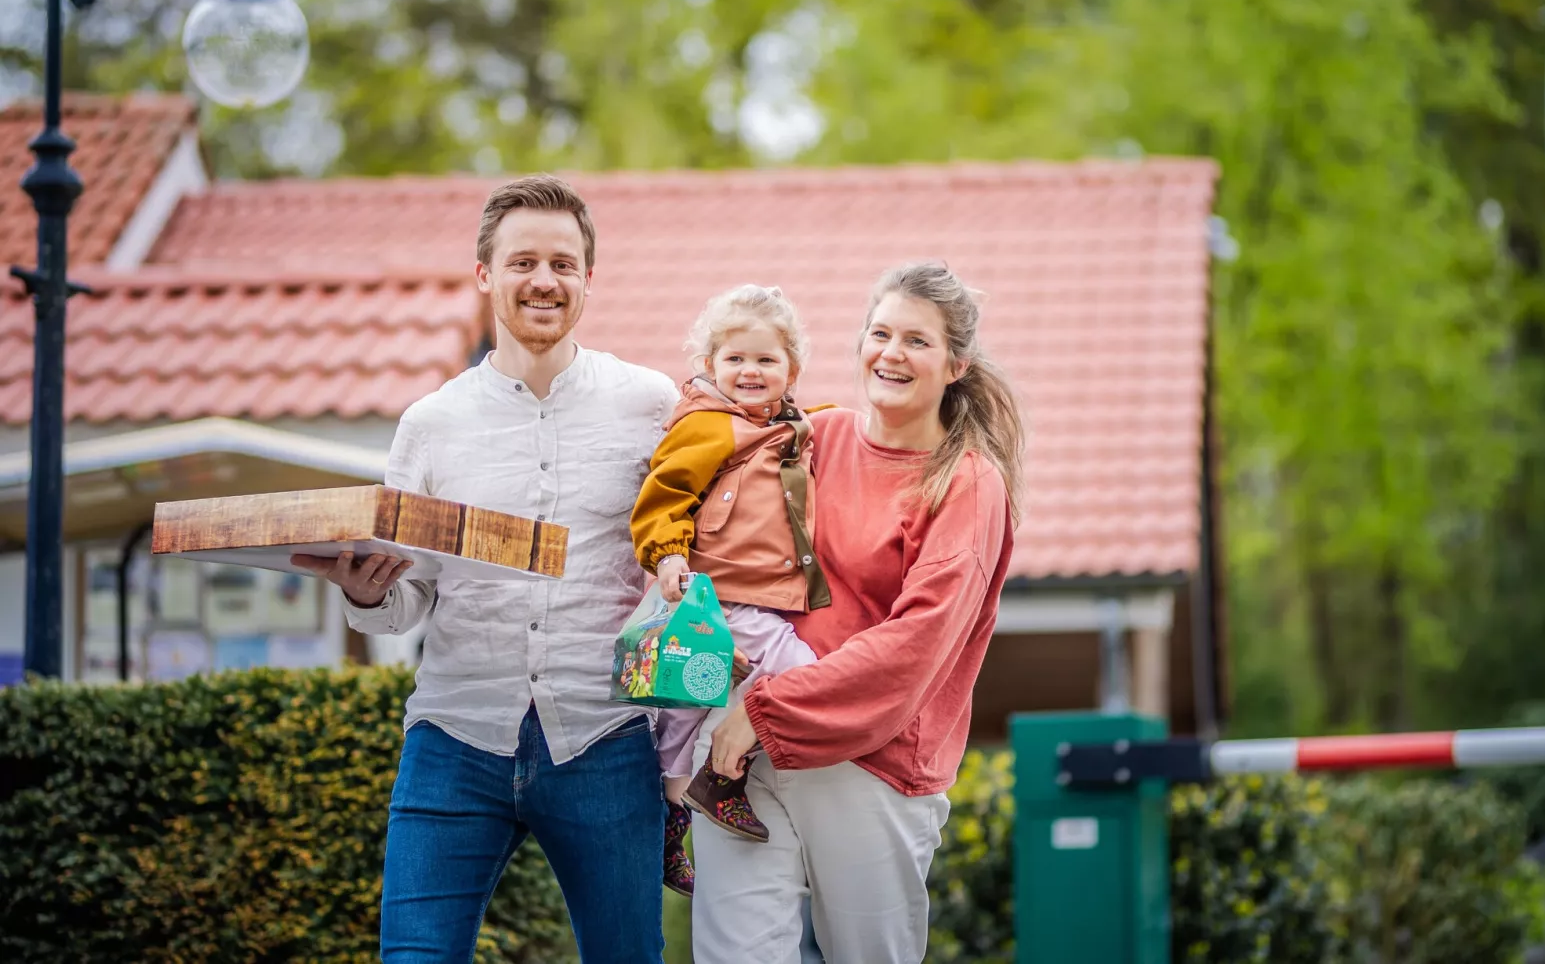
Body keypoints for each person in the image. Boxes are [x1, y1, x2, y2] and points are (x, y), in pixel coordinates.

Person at [291, 174, 680, 963]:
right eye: (523, 262)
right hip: (455, 734)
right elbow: (408, 595)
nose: (544, 281)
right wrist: (369, 599)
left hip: (604, 733)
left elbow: (684, 549)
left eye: (564, 264)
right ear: (484, 276)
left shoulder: (651, 404)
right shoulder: (431, 424)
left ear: (589, 280)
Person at [693, 262, 1026, 963]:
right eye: (880, 334)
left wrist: (767, 708)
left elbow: (913, 649)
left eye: (916, 341)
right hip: (738, 746)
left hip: (867, 763)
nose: (891, 354)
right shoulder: (814, 437)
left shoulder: (966, 484)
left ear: (955, 364)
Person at [629, 284, 831, 897]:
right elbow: (664, 493)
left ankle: (672, 808)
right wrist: (665, 555)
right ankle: (716, 780)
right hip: (719, 590)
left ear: (791, 370)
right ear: (710, 366)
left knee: (692, 701)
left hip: (751, 592)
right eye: (735, 359)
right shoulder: (711, 426)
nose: (750, 371)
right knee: (802, 676)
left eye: (766, 360)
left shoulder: (789, 429)